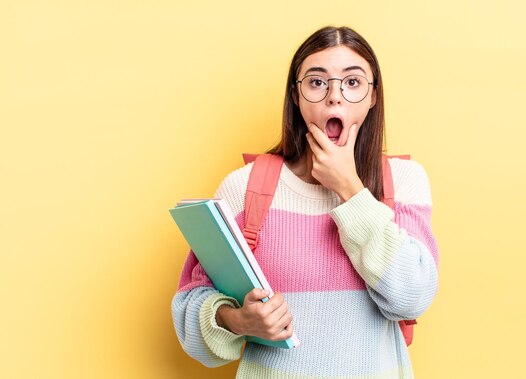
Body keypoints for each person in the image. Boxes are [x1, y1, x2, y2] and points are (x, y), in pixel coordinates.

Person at [171, 25, 440, 378]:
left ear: (373, 97)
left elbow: (412, 298)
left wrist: (350, 190)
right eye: (316, 82)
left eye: (353, 82)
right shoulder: (244, 188)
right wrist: (238, 320)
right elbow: (191, 306)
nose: (334, 96)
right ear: (295, 97)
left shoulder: (404, 181)